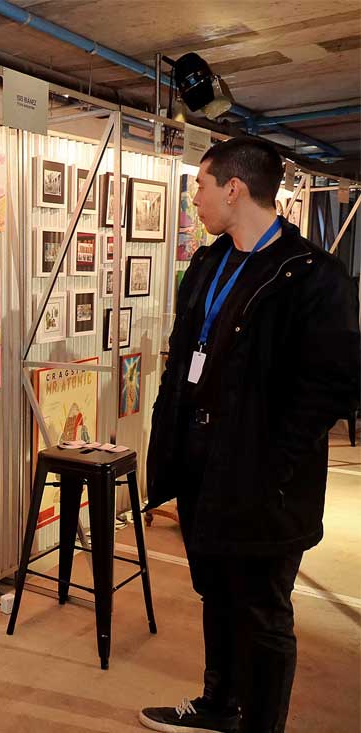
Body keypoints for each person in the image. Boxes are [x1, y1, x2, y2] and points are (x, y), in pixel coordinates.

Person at [140, 137, 360, 733]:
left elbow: (329, 389)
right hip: (202, 464)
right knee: (215, 591)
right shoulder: (210, 262)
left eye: (200, 186)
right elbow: (185, 354)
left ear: (234, 189)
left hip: (266, 482)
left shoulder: (313, 275)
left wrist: (273, 467)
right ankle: (219, 705)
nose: (195, 199)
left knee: (263, 613)